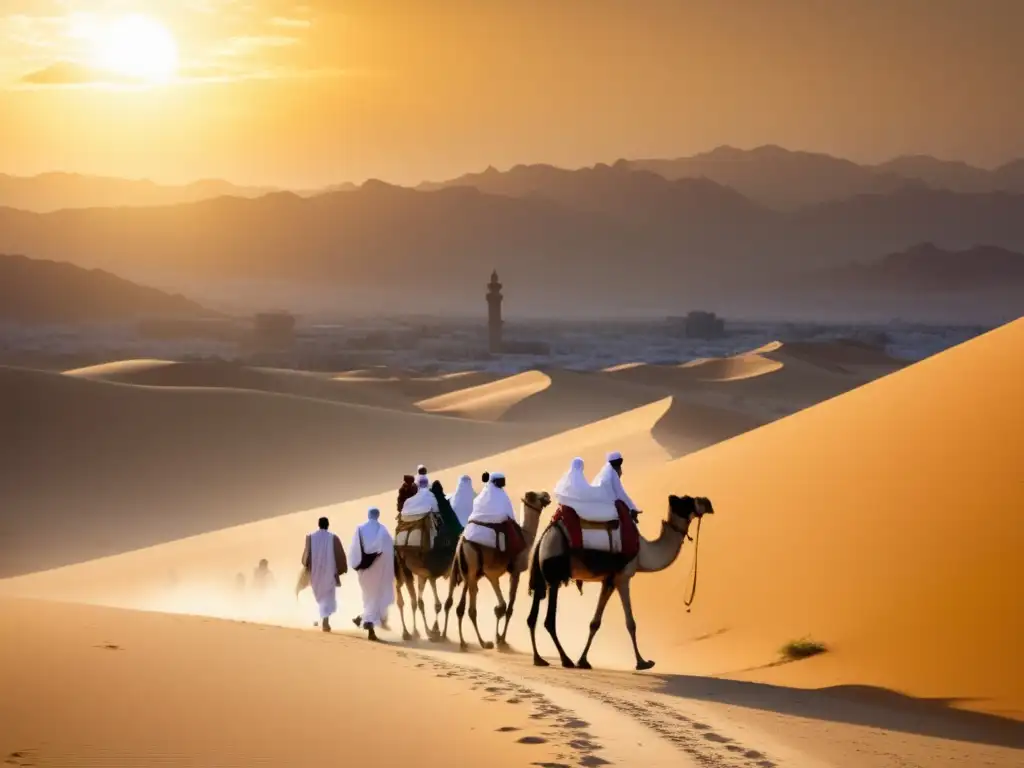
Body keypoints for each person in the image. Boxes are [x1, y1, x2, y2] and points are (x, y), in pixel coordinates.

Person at [350, 507, 395, 641]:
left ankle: (362, 618)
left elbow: (354, 549)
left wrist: (357, 565)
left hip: (364, 570)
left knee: (369, 597)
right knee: (375, 598)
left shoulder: (359, 528)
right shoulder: (383, 530)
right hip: (379, 570)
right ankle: (368, 624)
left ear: (368, 515)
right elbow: (389, 551)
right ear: (378, 516)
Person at [301, 516, 348, 632]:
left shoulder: (310, 538)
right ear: (327, 525)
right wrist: (341, 569)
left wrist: (307, 567)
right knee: (328, 598)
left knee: (321, 597)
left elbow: (306, 556)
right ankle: (325, 621)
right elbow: (341, 555)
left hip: (315, 574)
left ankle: (324, 619)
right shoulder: (333, 538)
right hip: (329, 573)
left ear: (319, 525)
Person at [464, 472, 525, 555]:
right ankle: (512, 560)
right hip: (496, 525)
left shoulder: (481, 495)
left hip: (474, 527)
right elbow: (510, 515)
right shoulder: (502, 496)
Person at [554, 457, 618, 521]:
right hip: (578, 509)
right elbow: (586, 493)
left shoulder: (566, 480)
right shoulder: (581, 479)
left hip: (568, 507)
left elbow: (560, 492)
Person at [590, 450, 639, 517]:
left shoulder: (602, 473)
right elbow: (620, 493)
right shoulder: (612, 473)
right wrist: (632, 508)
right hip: (606, 507)